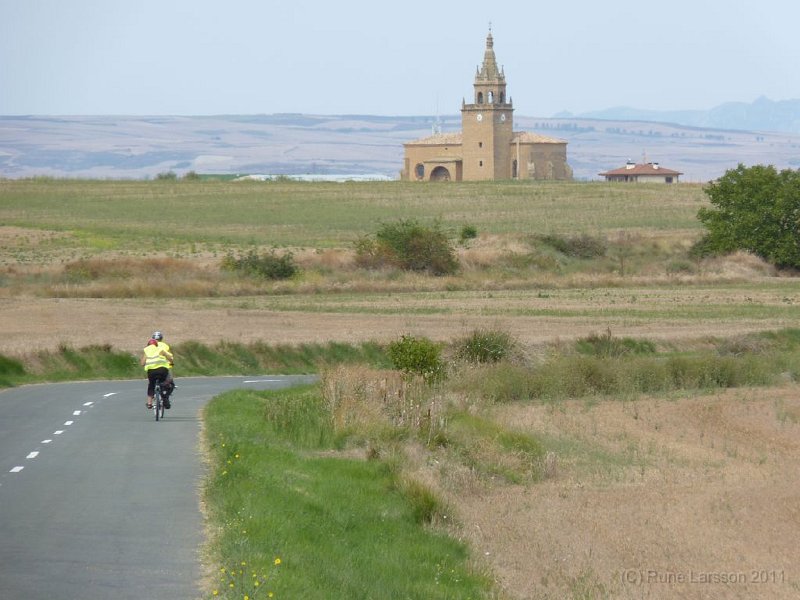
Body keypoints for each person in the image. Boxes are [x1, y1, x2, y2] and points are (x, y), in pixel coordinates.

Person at [140, 338, 173, 410]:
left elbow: (142, 363)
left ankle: (149, 403)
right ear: (156, 345)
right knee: (166, 382)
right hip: (162, 370)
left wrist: (146, 364)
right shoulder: (160, 349)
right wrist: (171, 362)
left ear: (148, 345)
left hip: (151, 371)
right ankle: (164, 395)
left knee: (151, 385)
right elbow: (169, 357)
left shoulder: (147, 350)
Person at [151, 330, 176, 399]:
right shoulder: (165, 346)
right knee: (171, 382)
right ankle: (166, 397)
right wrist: (171, 363)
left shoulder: (150, 346)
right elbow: (170, 356)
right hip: (164, 367)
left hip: (152, 367)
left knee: (151, 382)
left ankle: (152, 395)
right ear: (161, 338)